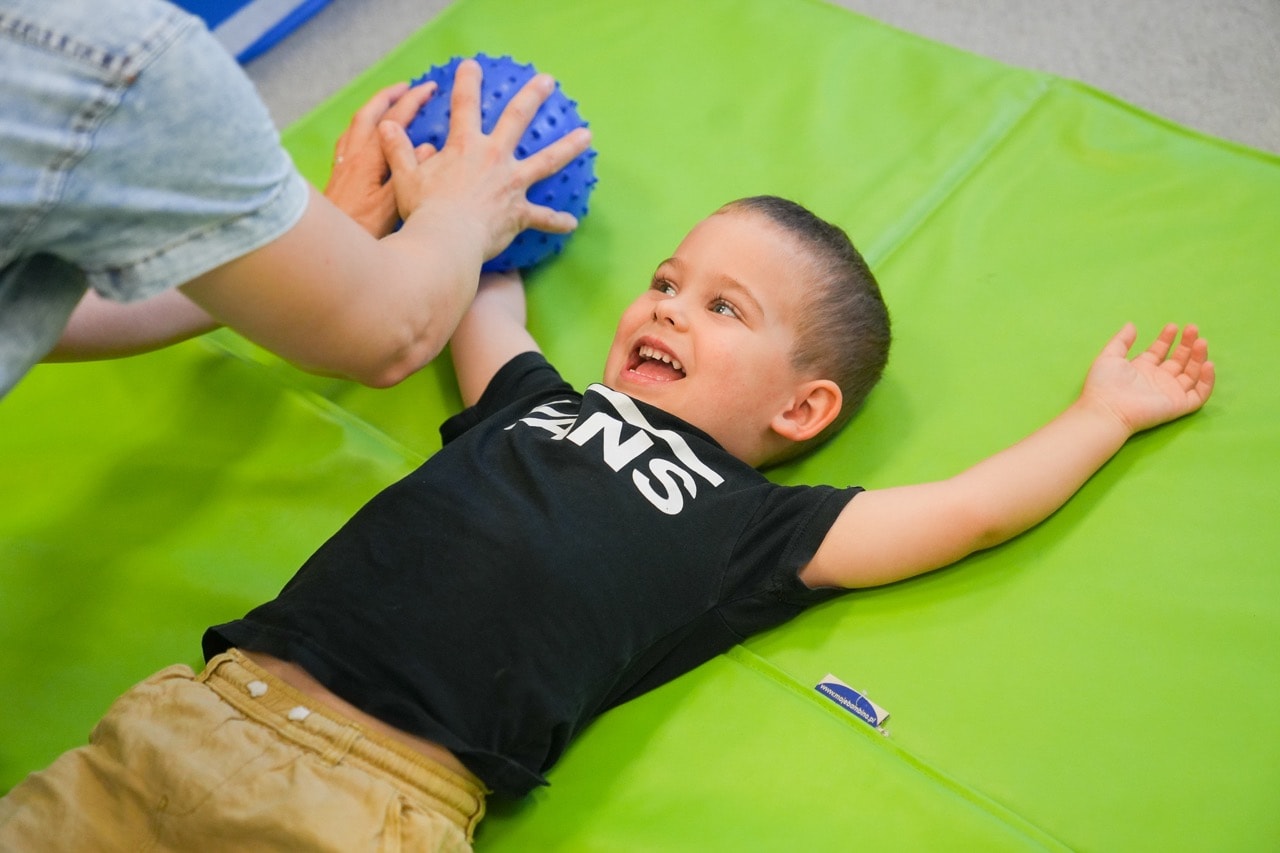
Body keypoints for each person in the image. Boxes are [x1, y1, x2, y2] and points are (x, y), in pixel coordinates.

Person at [0, 196, 1215, 850]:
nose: (668, 306)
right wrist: (478, 214)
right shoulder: (541, 400)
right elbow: (477, 310)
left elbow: (962, 512)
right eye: (667, 281)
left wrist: (1099, 417)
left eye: (721, 305)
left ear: (801, 406)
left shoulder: (755, 525)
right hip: (202, 712)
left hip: (374, 802)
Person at [0, 0, 592, 399]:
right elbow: (393, 334)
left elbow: (27, 306)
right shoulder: (127, 65)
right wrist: (464, 213)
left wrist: (254, 252)